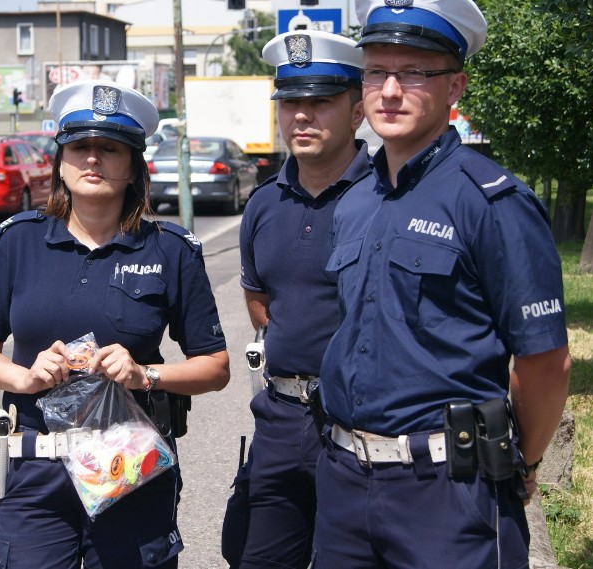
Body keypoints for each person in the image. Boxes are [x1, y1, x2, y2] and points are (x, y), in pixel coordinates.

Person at [313, 1, 571, 567]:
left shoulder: (492, 200)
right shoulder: (355, 200)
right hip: (343, 486)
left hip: (448, 494)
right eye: (376, 72)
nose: (389, 91)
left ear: (455, 86)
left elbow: (546, 362)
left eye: (413, 73)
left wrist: (520, 465)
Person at [0, 79, 230, 569]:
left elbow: (215, 367)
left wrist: (144, 374)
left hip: (128, 463)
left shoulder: (170, 250)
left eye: (109, 149)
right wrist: (22, 377)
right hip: (36, 466)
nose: (92, 160)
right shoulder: (18, 241)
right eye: (79, 147)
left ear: (133, 167)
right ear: (60, 163)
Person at [221, 31, 373, 569]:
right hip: (281, 422)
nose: (301, 117)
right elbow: (261, 301)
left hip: (361, 426)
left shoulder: (387, 195)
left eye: (320, 102)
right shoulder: (262, 203)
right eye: (290, 103)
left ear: (357, 112)